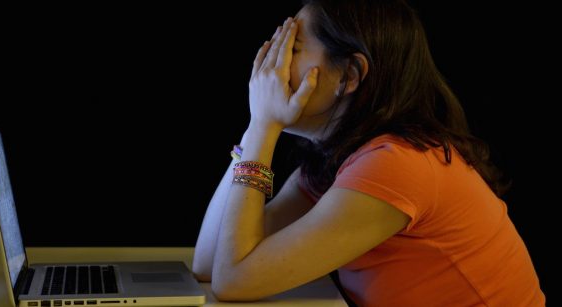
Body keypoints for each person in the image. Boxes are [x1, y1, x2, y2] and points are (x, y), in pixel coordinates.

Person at [192, 0, 545, 306]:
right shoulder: (340, 159)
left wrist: (265, 128)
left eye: (291, 48)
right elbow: (209, 264)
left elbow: (233, 279)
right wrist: (256, 128)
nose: (269, 63)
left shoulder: (395, 164)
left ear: (349, 75)